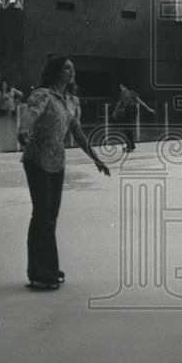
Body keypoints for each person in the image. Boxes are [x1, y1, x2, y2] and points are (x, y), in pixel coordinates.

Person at [17, 55, 110, 289]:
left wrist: (96, 158)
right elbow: (30, 113)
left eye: (73, 68)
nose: (71, 71)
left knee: (51, 215)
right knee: (42, 213)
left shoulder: (71, 101)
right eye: (67, 68)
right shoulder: (43, 94)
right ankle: (39, 271)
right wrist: (23, 130)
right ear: (56, 71)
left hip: (57, 161)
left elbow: (78, 134)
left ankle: (46, 266)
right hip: (37, 158)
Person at [113, 83, 155, 153]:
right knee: (126, 128)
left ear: (125, 87)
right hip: (127, 110)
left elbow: (140, 101)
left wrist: (149, 108)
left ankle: (130, 146)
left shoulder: (132, 92)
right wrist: (115, 111)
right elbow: (119, 103)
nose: (121, 88)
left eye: (122, 87)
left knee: (128, 128)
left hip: (132, 110)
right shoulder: (122, 94)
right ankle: (130, 145)